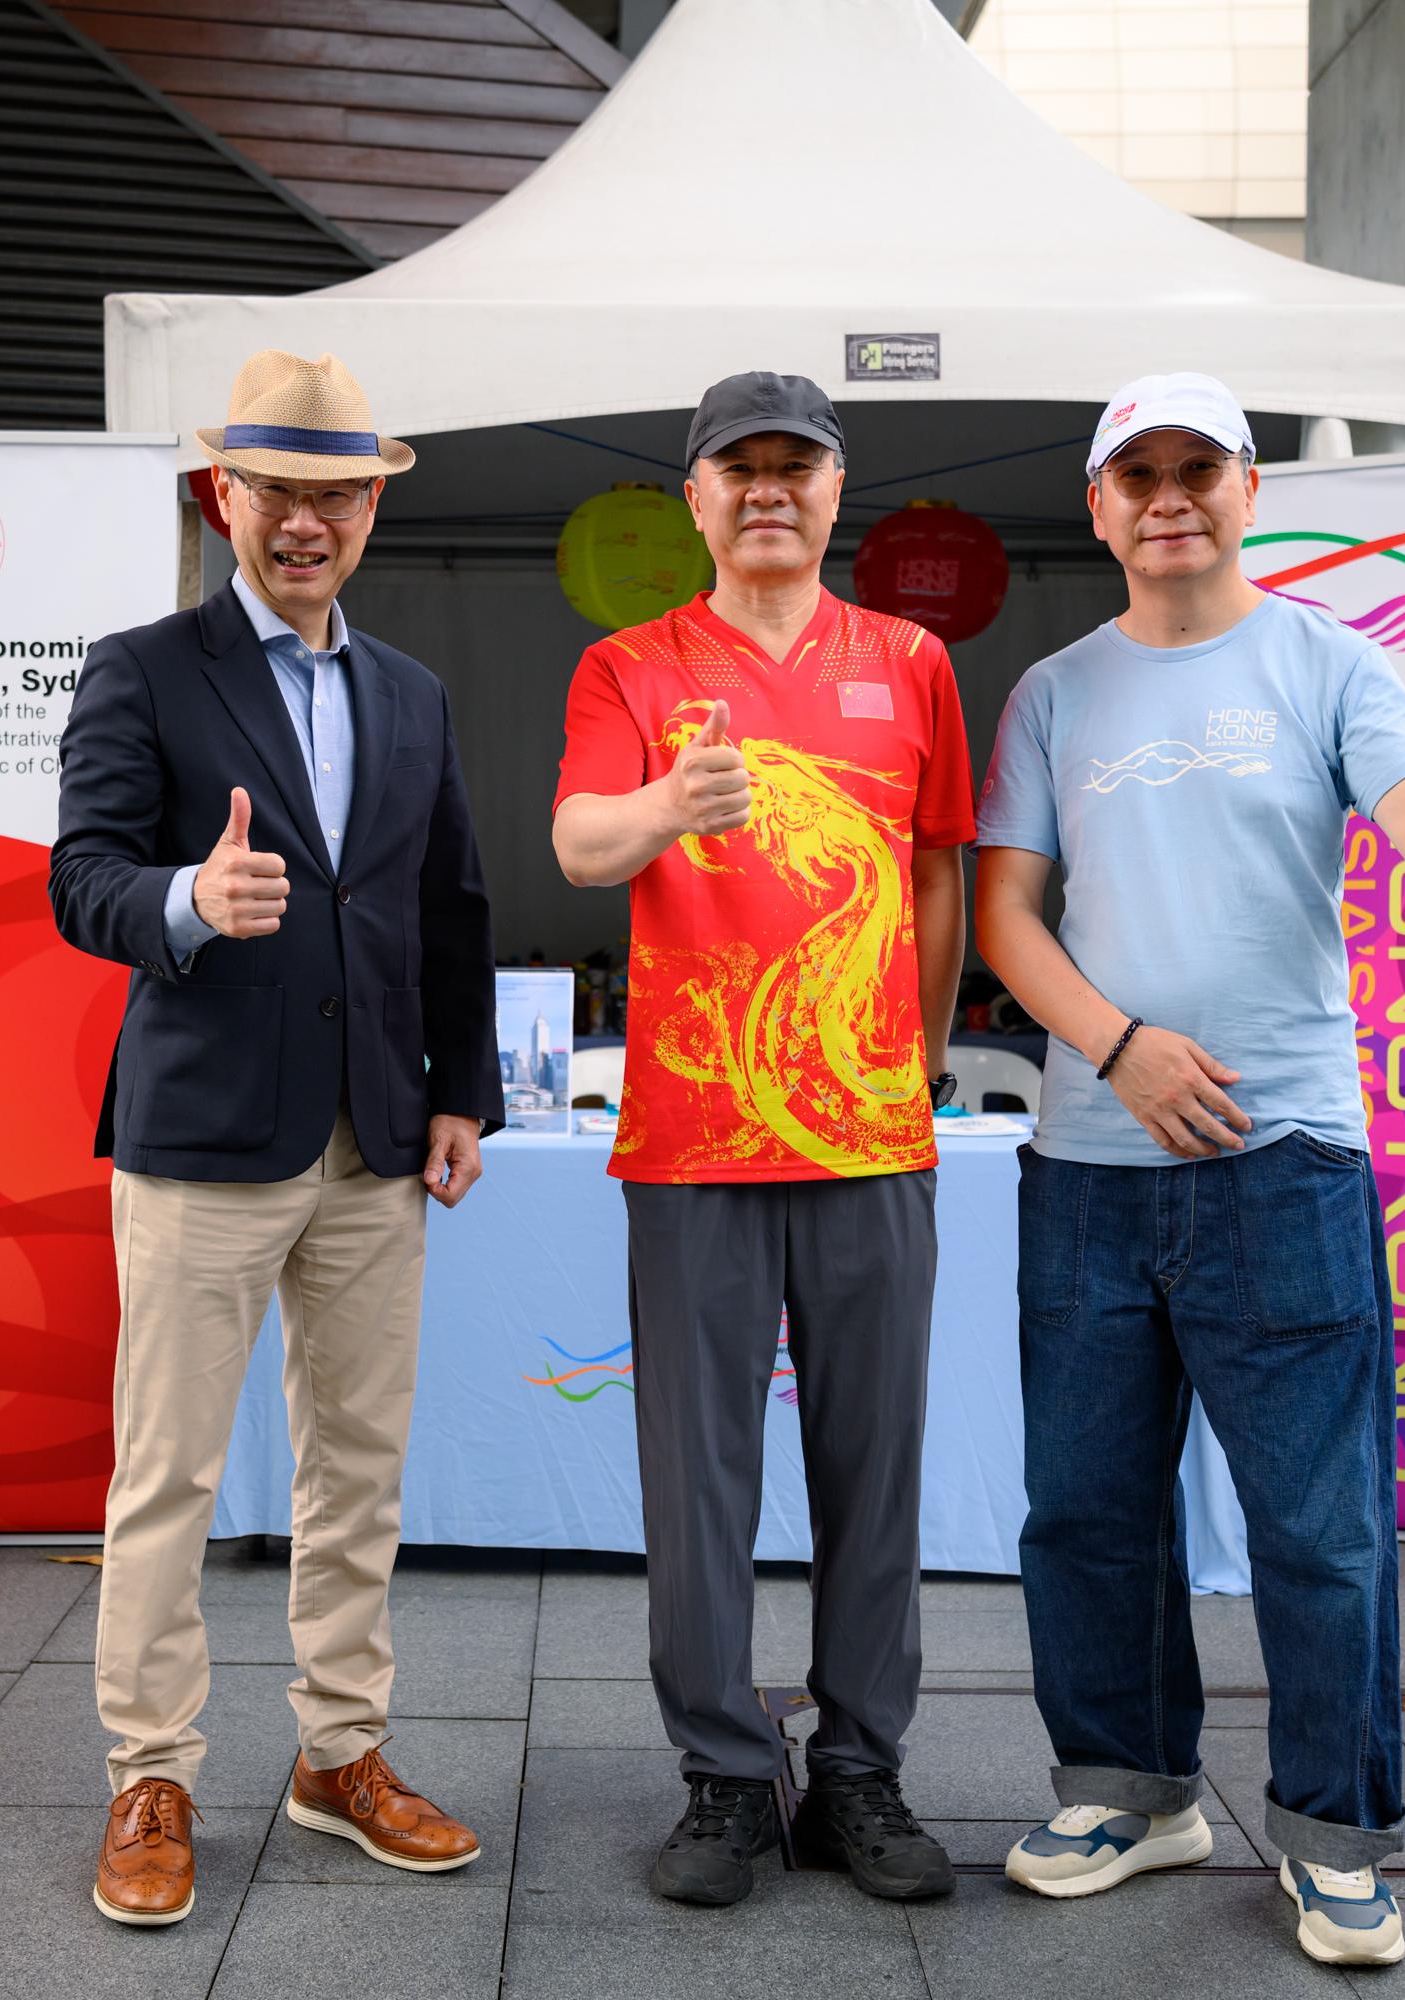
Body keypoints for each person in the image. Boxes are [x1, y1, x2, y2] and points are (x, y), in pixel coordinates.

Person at [972, 373, 1405, 1968]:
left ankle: (1332, 1837)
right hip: (1089, 1164)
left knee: (1318, 1526)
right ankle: (1129, 1789)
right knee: (1086, 1512)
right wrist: (1122, 1047)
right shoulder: (1052, 694)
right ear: (1096, 507)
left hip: (1284, 1156)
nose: (1169, 496)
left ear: (1249, 490)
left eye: (1200, 468)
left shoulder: (1331, 663)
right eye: (1136, 473)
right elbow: (1005, 917)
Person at [50, 349, 502, 1930]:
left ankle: (339, 1757)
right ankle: (151, 1774)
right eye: (277, 490)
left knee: (357, 1468)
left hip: (377, 1137)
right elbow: (80, 877)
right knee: (165, 1471)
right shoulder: (144, 667)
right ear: (220, 496)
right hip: (201, 1139)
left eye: (335, 492)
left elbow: (447, 904)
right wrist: (187, 900)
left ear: (370, 506)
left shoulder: (414, 694)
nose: (305, 521)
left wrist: (459, 1088)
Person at [551, 372, 975, 1908]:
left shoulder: (910, 660)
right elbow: (578, 842)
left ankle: (858, 1771)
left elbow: (939, 873)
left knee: (877, 1469)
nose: (770, 489)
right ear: (697, 497)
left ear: (838, 490)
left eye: (799, 465)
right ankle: (727, 1778)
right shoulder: (632, 664)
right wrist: (666, 802)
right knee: (698, 1482)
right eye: (741, 468)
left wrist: (917, 1059)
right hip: (691, 1141)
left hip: (871, 1141)